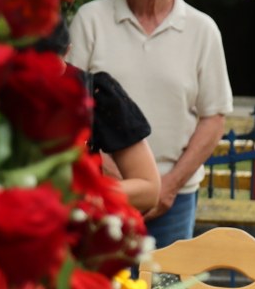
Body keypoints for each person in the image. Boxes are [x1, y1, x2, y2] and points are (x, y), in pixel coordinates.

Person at [66, 0, 231, 247]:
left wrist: (166, 187)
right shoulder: (91, 19)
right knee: (97, 279)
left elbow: (214, 118)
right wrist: (122, 179)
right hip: (102, 192)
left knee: (165, 283)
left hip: (174, 200)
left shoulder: (203, 30)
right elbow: (67, 106)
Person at [32, 18, 160, 213]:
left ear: (67, 52)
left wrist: (77, 197)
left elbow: (148, 189)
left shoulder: (94, 92)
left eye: (51, 69)